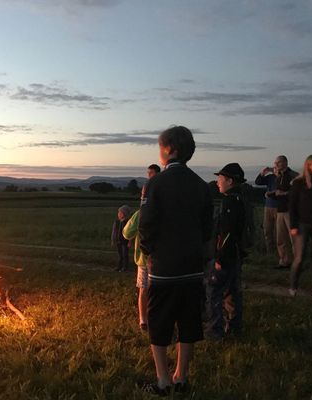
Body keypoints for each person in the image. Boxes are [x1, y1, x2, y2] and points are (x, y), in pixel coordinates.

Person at [139, 126, 212, 396]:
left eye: (160, 147)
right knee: (188, 322)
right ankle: (181, 376)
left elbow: (146, 224)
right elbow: (207, 228)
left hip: (164, 269)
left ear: (170, 150)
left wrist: (148, 253)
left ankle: (162, 380)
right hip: (192, 267)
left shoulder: (154, 183)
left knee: (159, 323)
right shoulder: (201, 185)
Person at [205, 163, 246, 340]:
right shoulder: (240, 199)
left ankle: (215, 331)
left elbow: (228, 232)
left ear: (230, 180)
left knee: (213, 291)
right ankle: (235, 327)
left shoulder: (230, 202)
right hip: (236, 254)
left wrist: (220, 256)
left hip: (226, 255)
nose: (217, 182)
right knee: (232, 291)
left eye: (220, 178)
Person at [123, 165, 160, 332]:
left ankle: (143, 320)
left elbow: (126, 233)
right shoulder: (163, 213)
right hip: (161, 259)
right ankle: (158, 318)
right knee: (158, 290)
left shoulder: (139, 214)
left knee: (143, 290)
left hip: (143, 259)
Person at [288, 155, 312, 300]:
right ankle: (293, 286)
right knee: (299, 257)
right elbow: (292, 206)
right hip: (302, 224)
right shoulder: (298, 183)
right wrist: (293, 225)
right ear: (309, 166)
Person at [268, 156, 298, 269]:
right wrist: (272, 194)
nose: (275, 165)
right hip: (280, 210)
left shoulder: (293, 175)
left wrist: (284, 194)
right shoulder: (278, 177)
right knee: (281, 238)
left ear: (285, 162)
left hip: (291, 210)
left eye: (278, 162)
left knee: (294, 238)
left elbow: (298, 191)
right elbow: (279, 192)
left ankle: (297, 263)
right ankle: (285, 261)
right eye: (275, 162)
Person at [255, 162, 279, 256]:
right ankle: (270, 253)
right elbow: (258, 182)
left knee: (279, 233)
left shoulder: (284, 178)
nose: (275, 168)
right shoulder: (270, 177)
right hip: (268, 206)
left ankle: (280, 253)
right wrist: (263, 173)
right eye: (275, 166)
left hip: (279, 208)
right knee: (267, 230)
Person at [111, 205, 131, 272]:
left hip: (125, 242)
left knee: (125, 255)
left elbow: (131, 233)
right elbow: (114, 232)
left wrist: (130, 241)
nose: (119, 214)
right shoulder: (117, 222)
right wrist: (113, 240)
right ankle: (119, 266)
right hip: (118, 241)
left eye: (120, 213)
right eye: (118, 212)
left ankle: (125, 267)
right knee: (120, 255)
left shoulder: (128, 222)